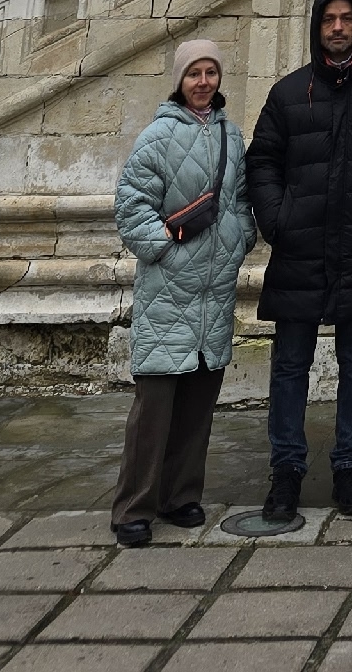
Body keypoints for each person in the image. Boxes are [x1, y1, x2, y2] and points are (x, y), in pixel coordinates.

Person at [245, 0, 352, 522]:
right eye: (328, 19)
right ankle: (286, 471)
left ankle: (348, 466)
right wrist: (279, 219)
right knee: (290, 364)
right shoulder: (288, 93)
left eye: (346, 19)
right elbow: (262, 161)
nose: (337, 28)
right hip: (301, 248)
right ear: (317, 27)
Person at [109, 38, 255, 547]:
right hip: (168, 290)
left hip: (214, 292)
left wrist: (238, 242)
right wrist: (167, 253)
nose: (203, 82)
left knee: (198, 404)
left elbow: (240, 201)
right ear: (180, 80)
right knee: (154, 408)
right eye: (195, 73)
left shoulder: (231, 136)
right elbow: (131, 206)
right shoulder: (158, 135)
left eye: (211, 72)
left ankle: (181, 494)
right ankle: (134, 507)